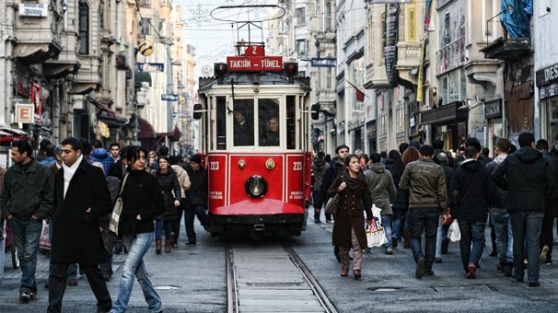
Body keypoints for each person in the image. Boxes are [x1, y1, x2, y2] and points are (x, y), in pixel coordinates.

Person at [47, 137, 112, 313]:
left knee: (92, 271)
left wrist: (89, 216)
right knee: (57, 271)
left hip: (85, 230)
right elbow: (56, 201)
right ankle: (53, 308)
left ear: (78, 153)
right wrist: (55, 217)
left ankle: (105, 304)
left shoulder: (93, 173)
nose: (63, 155)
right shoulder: (60, 174)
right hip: (63, 230)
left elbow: (105, 202)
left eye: (67, 152)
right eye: (62, 152)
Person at [492, 132, 555, 287]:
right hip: (536, 205)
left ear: (519, 143)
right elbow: (551, 182)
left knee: (518, 240)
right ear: (533, 144)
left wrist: (509, 187)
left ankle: (518, 273)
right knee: (533, 242)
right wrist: (541, 194)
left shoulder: (511, 159)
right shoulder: (541, 159)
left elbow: (495, 175)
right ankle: (533, 278)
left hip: (516, 204)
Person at [109, 146, 164, 313]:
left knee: (128, 269)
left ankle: (119, 307)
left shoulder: (150, 179)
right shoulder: (125, 178)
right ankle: (155, 304)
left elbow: (160, 204)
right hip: (127, 229)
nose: (142, 160)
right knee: (139, 272)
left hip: (144, 230)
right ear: (129, 160)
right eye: (138, 157)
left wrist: (144, 215)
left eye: (143, 157)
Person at [0, 140, 53, 303]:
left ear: (25, 154)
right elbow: (3, 197)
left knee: (30, 254)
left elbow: (49, 197)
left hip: (33, 220)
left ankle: (25, 288)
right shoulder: (10, 173)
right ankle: (32, 286)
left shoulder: (42, 172)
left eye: (15, 153)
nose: (12, 156)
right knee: (23, 256)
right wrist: (8, 214)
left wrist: (38, 215)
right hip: (15, 219)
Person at [399, 144, 447, 279]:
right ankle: (428, 267)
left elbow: (402, 185)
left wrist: (412, 189)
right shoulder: (438, 169)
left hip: (415, 205)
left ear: (420, 153)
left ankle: (419, 257)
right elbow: (442, 191)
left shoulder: (411, 166)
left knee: (415, 235)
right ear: (432, 155)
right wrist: (443, 209)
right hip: (433, 207)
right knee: (431, 237)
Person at [450, 146, 494, 279]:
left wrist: (454, 210)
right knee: (478, 239)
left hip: (463, 210)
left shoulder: (459, 171)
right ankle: (473, 263)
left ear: (464, 156)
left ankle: (466, 266)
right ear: (477, 155)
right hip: (479, 210)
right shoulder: (483, 170)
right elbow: (490, 190)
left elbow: (454, 193)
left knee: (465, 240)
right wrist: (488, 205)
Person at [327, 154, 373, 280]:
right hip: (343, 215)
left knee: (357, 242)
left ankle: (357, 268)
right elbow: (329, 192)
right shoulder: (341, 178)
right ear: (347, 166)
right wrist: (338, 189)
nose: (357, 164)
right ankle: (345, 266)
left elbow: (366, 199)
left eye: (358, 162)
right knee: (343, 244)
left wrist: (370, 216)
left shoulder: (362, 180)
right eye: (353, 162)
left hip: (357, 215)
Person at [486, 138, 514, 276]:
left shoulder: (490, 166)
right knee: (511, 235)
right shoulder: (514, 163)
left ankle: (502, 260)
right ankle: (510, 259)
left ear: (496, 148)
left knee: (500, 236)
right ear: (509, 149)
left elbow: (487, 187)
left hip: (496, 205)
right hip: (513, 203)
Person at [364, 152, 396, 254]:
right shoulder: (387, 173)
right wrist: (391, 201)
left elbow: (364, 190)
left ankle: (368, 245)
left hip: (371, 203)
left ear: (371, 161)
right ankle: (389, 246)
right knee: (387, 225)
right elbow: (393, 190)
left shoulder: (367, 174)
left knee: (369, 226)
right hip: (385, 202)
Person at [535, 139, 558, 265]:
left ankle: (541, 247)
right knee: (548, 227)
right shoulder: (554, 159)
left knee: (538, 227)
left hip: (539, 198)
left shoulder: (537, 160)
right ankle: (548, 256)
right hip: (553, 199)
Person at [153, 156, 181, 254]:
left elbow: (177, 188)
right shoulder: (155, 175)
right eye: (160, 162)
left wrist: (178, 199)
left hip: (169, 201)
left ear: (168, 163)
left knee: (169, 225)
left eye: (164, 162)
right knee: (159, 224)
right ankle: (158, 245)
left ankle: (168, 244)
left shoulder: (172, 175)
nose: (162, 164)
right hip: (158, 201)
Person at [184, 154, 210, 245]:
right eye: (191, 163)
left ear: (198, 163)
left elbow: (206, 186)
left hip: (199, 198)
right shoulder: (188, 172)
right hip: (189, 199)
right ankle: (191, 239)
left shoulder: (204, 173)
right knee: (188, 220)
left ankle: (206, 223)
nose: (192, 165)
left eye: (194, 163)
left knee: (199, 211)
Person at [322, 145, 350, 224]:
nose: (345, 154)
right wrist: (318, 204)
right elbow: (325, 185)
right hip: (337, 197)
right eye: (342, 152)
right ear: (337, 154)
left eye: (346, 152)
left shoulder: (354, 165)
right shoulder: (332, 167)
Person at [312, 151, 330, 223]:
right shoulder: (327, 166)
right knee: (327, 203)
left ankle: (317, 217)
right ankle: (327, 218)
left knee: (317, 203)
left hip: (316, 186)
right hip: (325, 186)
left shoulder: (313, 165)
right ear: (323, 156)